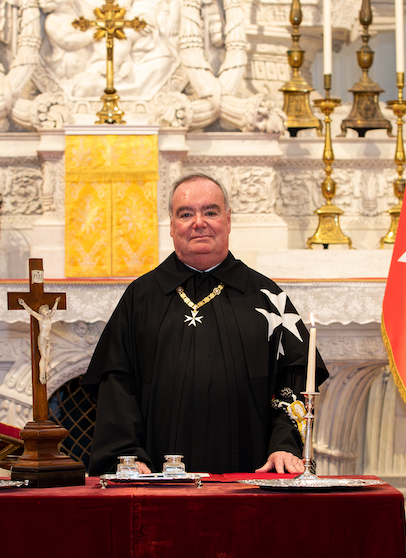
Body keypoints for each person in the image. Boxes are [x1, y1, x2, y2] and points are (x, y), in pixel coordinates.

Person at [83, 173, 328, 475]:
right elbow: (116, 384)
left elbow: (295, 381)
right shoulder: (141, 298)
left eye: (210, 212)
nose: (199, 222)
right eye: (186, 214)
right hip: (156, 477)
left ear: (228, 219)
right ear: (172, 226)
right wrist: (127, 455)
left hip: (251, 475)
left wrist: (285, 444)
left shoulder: (267, 297)